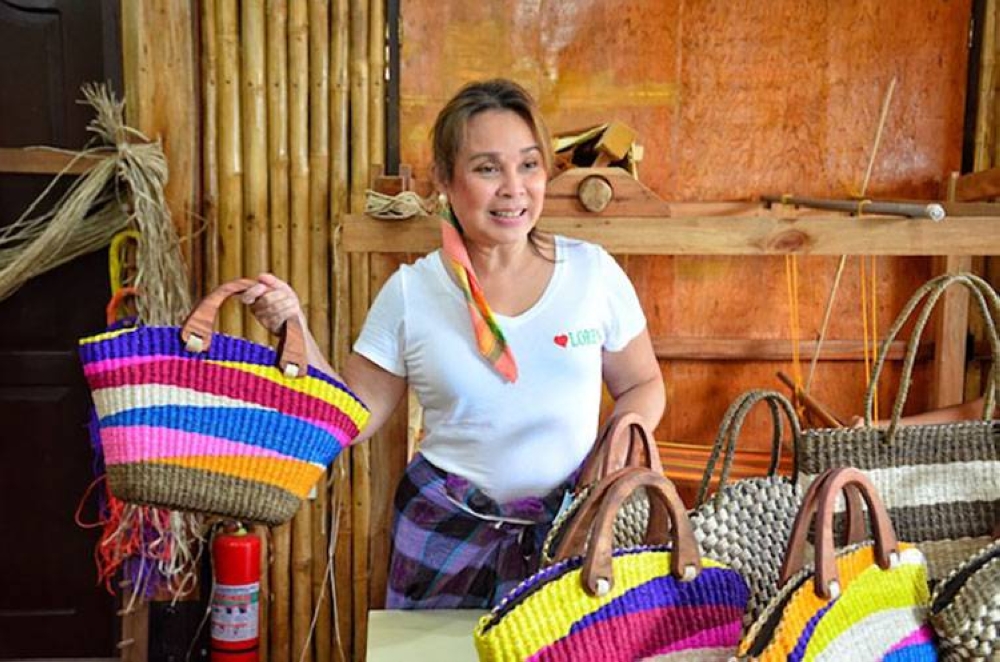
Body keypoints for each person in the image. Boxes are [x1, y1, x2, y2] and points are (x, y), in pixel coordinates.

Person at [242, 78, 665, 609]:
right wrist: (294, 329)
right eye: (487, 168)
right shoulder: (411, 294)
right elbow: (351, 417)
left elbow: (644, 384)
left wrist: (621, 438)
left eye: (529, 165)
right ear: (445, 179)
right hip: (444, 538)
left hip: (570, 535)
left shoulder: (592, 275)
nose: (513, 188)